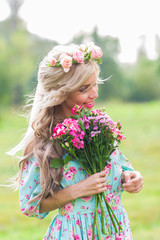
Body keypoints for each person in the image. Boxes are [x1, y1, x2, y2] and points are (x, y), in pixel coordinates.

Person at [9, 42, 143, 240]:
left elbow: (122, 171)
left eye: (95, 84)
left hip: (116, 232)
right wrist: (75, 191)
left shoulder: (100, 129)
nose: (95, 94)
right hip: (74, 234)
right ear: (60, 92)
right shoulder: (45, 143)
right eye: (84, 89)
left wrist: (130, 178)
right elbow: (30, 206)